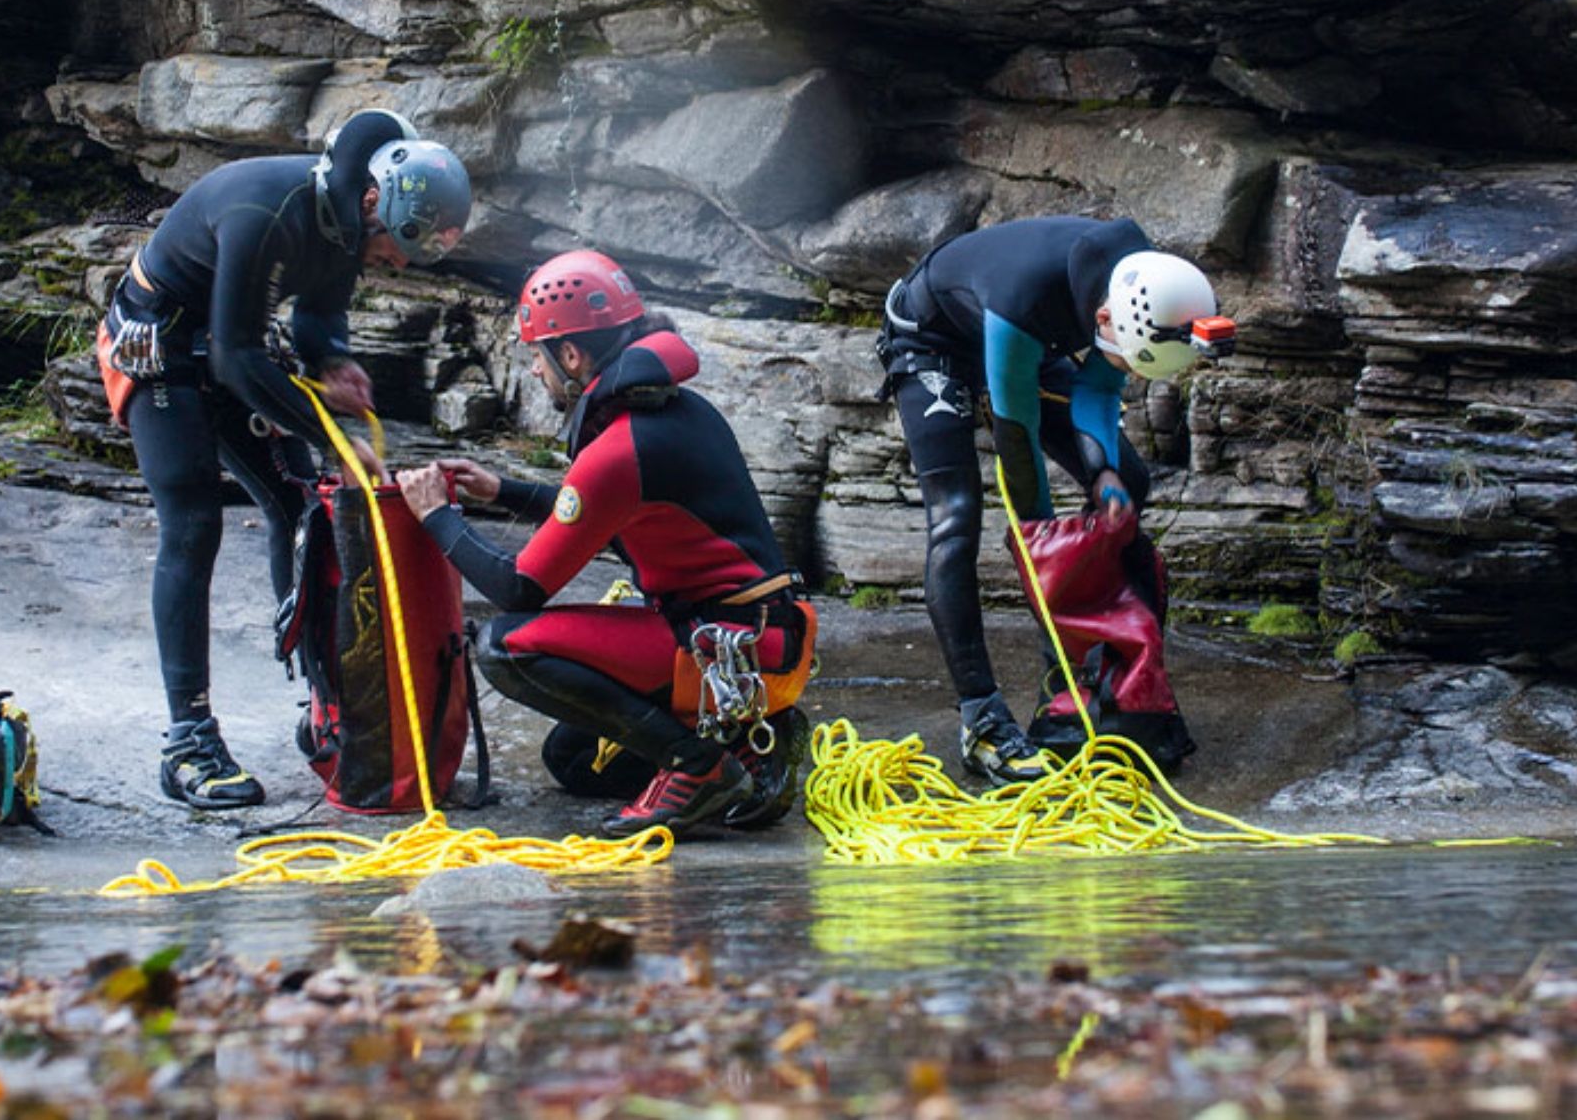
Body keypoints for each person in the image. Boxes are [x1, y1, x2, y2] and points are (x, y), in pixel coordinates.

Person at [101, 110, 472, 808]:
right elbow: (237, 358)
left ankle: (326, 704)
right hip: (161, 346)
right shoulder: (268, 211)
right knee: (193, 521)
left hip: (226, 343)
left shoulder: (344, 221)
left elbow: (315, 318)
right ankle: (188, 739)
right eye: (398, 246)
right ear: (374, 204)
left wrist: (333, 361)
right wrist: (333, 433)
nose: (395, 262)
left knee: (304, 505)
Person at [395, 249, 815, 837]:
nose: (537, 372)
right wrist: (504, 490)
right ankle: (749, 747)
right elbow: (606, 510)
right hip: (753, 636)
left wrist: (436, 516)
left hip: (727, 647)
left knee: (506, 646)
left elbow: (518, 588)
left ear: (571, 354)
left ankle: (699, 767)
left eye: (539, 358)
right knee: (570, 760)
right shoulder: (676, 409)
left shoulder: (620, 447)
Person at [875, 217, 1230, 786]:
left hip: (1032, 343)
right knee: (956, 518)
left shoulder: (1141, 283)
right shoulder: (1031, 296)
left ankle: (1102, 680)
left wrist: (1104, 476)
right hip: (936, 341)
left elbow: (1099, 382)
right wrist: (1050, 571)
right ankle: (983, 719)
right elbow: (1020, 459)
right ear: (1106, 320)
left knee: (1129, 480)